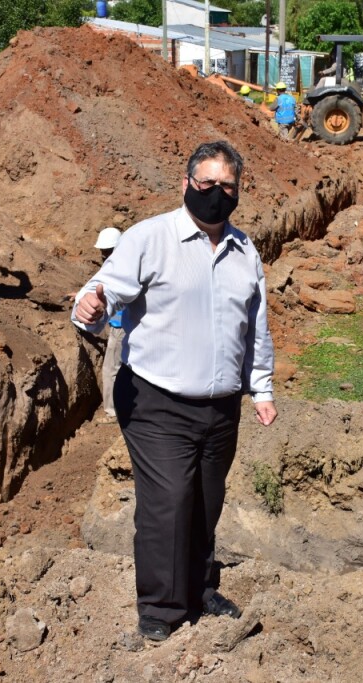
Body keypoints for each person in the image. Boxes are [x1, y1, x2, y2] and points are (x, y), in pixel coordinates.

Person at [72, 140, 277, 642]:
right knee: (168, 501)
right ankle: (161, 609)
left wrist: (261, 387)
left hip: (221, 406)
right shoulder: (150, 238)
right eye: (207, 183)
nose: (217, 193)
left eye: (228, 186)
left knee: (206, 501)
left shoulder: (245, 250)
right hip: (156, 399)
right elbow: (104, 290)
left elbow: (256, 326)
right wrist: (91, 306)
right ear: (186, 183)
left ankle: (199, 588)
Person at [94, 227, 124, 423]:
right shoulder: (125, 264)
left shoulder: (119, 268)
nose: (104, 255)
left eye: (107, 251)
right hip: (124, 325)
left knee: (110, 369)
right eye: (102, 252)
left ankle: (112, 412)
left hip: (121, 327)